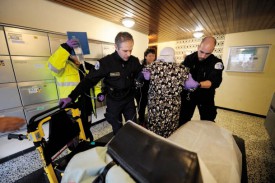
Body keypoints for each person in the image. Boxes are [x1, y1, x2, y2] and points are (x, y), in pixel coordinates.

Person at [59, 32, 143, 135]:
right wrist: (71, 97)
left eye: (131, 50)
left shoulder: (134, 61)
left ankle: (133, 148)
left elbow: (140, 74)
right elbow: (88, 81)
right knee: (117, 129)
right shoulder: (105, 63)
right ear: (116, 47)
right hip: (114, 101)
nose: (128, 54)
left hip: (129, 99)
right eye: (125, 50)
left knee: (133, 127)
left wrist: (144, 76)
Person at [47, 39, 102, 140]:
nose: (79, 56)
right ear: (70, 54)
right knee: (73, 132)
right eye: (76, 53)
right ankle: (75, 151)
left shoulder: (86, 67)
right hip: (72, 106)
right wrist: (65, 48)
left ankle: (87, 143)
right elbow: (53, 67)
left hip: (87, 106)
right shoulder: (63, 67)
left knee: (86, 127)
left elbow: (95, 83)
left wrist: (99, 94)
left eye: (81, 53)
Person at [144, 47, 190, 138]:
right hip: (173, 105)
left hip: (155, 104)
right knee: (171, 127)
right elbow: (191, 86)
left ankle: (154, 146)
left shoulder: (151, 67)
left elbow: (145, 78)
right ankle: (168, 146)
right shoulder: (182, 69)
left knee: (154, 127)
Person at [179, 36, 224, 127]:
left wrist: (197, 85)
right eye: (201, 52)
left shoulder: (216, 63)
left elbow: (215, 82)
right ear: (198, 47)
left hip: (205, 95)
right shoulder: (189, 58)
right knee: (183, 119)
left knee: (208, 121)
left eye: (207, 53)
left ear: (213, 50)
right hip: (189, 95)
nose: (203, 56)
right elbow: (180, 72)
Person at [135, 48, 156, 127]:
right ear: (145, 57)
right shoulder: (141, 67)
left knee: (151, 106)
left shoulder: (156, 67)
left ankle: (151, 120)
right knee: (141, 107)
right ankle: (141, 122)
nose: (152, 57)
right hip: (141, 91)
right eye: (149, 56)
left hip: (151, 91)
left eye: (153, 56)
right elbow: (137, 79)